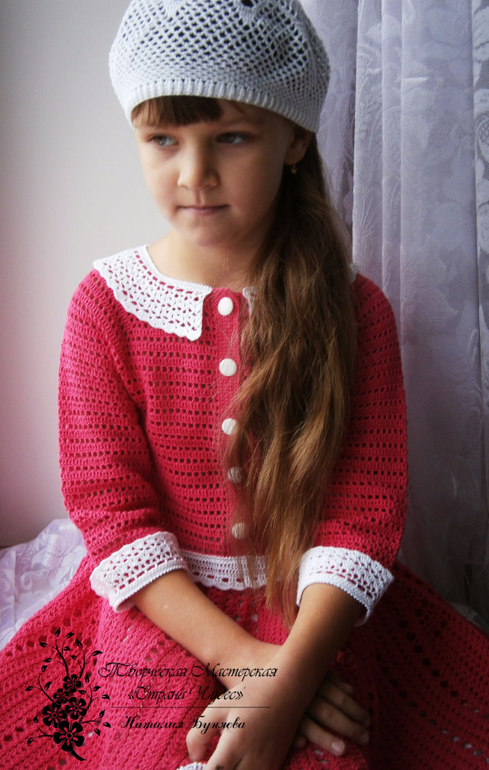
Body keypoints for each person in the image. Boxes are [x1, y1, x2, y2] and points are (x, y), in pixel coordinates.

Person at [0, 1, 488, 769]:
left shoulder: (354, 311)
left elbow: (360, 517)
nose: (193, 174)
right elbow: (112, 512)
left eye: (230, 136)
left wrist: (289, 678)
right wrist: (257, 672)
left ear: (293, 138)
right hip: (161, 608)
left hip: (313, 613)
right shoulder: (106, 306)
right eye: (163, 138)